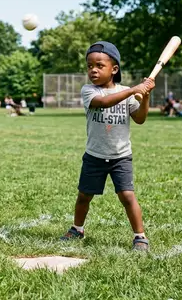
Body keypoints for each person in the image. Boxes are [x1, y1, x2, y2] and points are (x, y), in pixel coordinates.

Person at [60, 41, 155, 251]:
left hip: (121, 156)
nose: (93, 70)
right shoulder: (89, 91)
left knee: (127, 196)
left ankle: (140, 237)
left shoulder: (126, 92)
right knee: (84, 195)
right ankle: (77, 229)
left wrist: (145, 97)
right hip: (94, 155)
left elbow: (139, 118)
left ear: (114, 69)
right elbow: (103, 103)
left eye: (99, 65)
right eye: (89, 66)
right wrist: (134, 90)